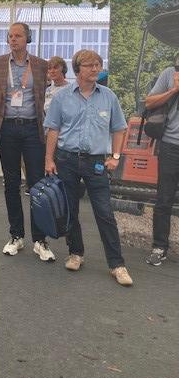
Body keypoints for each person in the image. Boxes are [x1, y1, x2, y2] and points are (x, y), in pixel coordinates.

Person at [44, 49, 133, 286]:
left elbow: (119, 128)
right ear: (77, 70)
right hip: (66, 159)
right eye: (89, 65)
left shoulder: (108, 96)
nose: (95, 69)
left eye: (98, 65)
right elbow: (53, 129)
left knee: (104, 212)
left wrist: (115, 156)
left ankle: (117, 264)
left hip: (96, 162)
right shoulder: (62, 97)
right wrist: (49, 160)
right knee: (70, 210)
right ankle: (76, 253)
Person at [0, 22, 55, 262]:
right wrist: (0, 120)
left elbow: (43, 96)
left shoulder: (40, 65)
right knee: (11, 183)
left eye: (18, 36)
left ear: (28, 39)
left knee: (37, 184)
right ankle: (16, 235)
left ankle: (40, 239)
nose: (13, 39)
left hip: (33, 130)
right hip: (7, 129)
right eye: (10, 36)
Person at [144, 58, 179, 266]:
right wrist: (174, 90)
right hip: (170, 146)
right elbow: (149, 103)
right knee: (164, 199)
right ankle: (159, 247)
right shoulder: (169, 73)